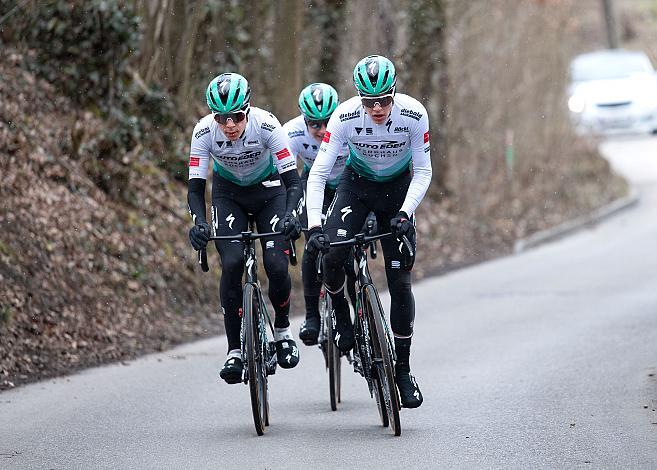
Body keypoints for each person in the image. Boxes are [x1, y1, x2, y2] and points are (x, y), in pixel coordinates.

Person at [305, 55, 432, 408]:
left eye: (384, 101)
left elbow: (423, 170)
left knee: (400, 281)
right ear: (359, 98)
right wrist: (315, 224)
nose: (377, 109)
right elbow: (318, 172)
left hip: (397, 191)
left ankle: (403, 370)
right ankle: (342, 315)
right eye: (369, 102)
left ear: (394, 93)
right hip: (356, 188)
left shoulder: (414, 114)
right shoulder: (344, 115)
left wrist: (406, 213)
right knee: (330, 253)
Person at [187, 72, 303, 384]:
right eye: (221, 118)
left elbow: (293, 182)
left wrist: (292, 215)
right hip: (229, 196)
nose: (229, 125)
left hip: (270, 193)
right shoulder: (203, 133)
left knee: (277, 263)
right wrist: (198, 223)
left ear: (248, 110)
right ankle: (234, 350)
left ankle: (282, 330)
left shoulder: (267, 124)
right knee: (233, 262)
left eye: (236, 117)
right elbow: (196, 189)